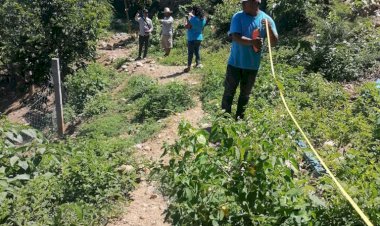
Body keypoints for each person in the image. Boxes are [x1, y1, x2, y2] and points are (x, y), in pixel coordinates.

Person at [221, 0, 278, 120]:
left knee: (245, 95)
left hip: (252, 66)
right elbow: (235, 36)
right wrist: (252, 42)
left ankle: (239, 120)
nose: (242, 5)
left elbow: (274, 42)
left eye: (244, 2)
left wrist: (269, 29)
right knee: (229, 92)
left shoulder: (266, 19)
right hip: (235, 63)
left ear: (255, 3)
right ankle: (223, 120)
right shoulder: (238, 16)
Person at [184, 5, 206, 73]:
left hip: (192, 38)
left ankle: (188, 66)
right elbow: (199, 25)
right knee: (197, 51)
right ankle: (198, 63)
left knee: (190, 53)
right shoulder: (203, 19)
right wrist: (192, 17)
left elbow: (187, 26)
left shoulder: (192, 19)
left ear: (194, 11)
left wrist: (186, 19)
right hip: (199, 37)